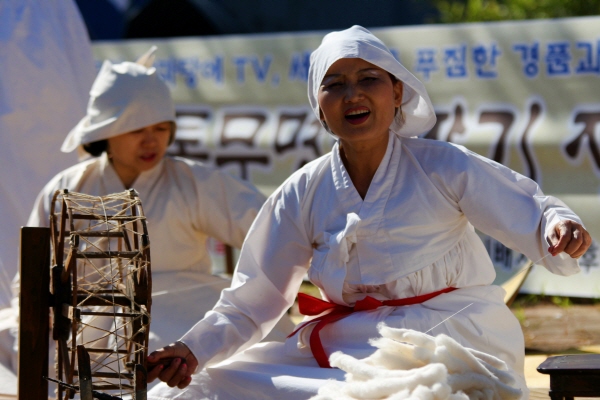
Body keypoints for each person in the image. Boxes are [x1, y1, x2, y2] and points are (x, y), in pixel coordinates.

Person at [146, 26, 591, 399]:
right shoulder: (302, 191)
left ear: (397, 92)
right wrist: (192, 349)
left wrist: (557, 227)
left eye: (368, 79)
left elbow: (532, 210)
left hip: (451, 335)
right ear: (319, 108)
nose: (352, 94)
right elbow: (250, 302)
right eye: (334, 84)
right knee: (200, 386)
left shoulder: (442, 165)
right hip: (351, 342)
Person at [0, 48, 295, 387]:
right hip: (88, 316)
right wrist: (42, 312)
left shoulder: (194, 181)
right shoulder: (69, 186)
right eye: (135, 129)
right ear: (106, 132)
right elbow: (34, 270)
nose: (151, 140)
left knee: (195, 357)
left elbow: (275, 232)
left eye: (160, 127)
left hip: (184, 302)